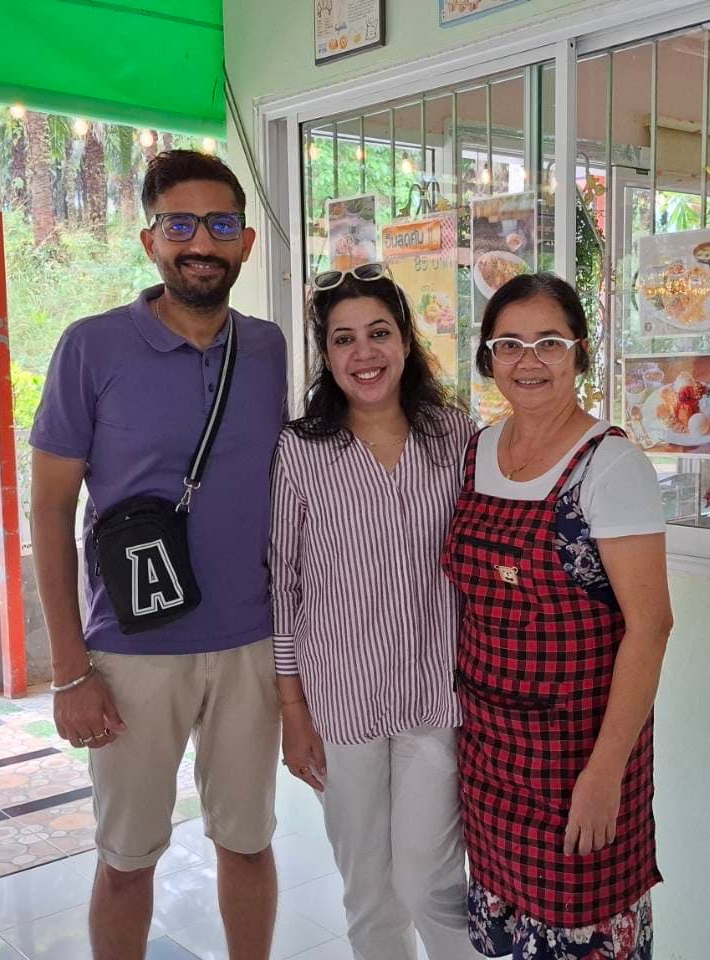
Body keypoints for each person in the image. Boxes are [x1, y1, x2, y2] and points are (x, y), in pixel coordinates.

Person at [29, 149, 286, 960]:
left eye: (219, 224)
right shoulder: (91, 347)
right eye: (180, 224)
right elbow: (49, 510)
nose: (200, 242)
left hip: (250, 644)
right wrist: (68, 670)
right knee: (126, 857)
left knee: (248, 843)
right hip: (130, 653)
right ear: (150, 240)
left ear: (245, 242)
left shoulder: (270, 348)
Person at [443, 273, 672, 960]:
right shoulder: (476, 451)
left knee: (579, 929)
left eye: (549, 342)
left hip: (577, 759)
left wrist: (604, 776)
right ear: (488, 356)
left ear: (580, 353)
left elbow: (651, 627)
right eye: (509, 344)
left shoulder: (610, 464)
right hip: (489, 751)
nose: (529, 360)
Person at [270, 264, 480, 960]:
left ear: (405, 341)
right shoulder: (300, 451)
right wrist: (292, 711)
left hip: (434, 698)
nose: (364, 353)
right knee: (369, 892)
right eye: (344, 339)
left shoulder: (456, 437)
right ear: (326, 356)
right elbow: (282, 587)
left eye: (379, 333)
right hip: (340, 704)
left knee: (431, 882)